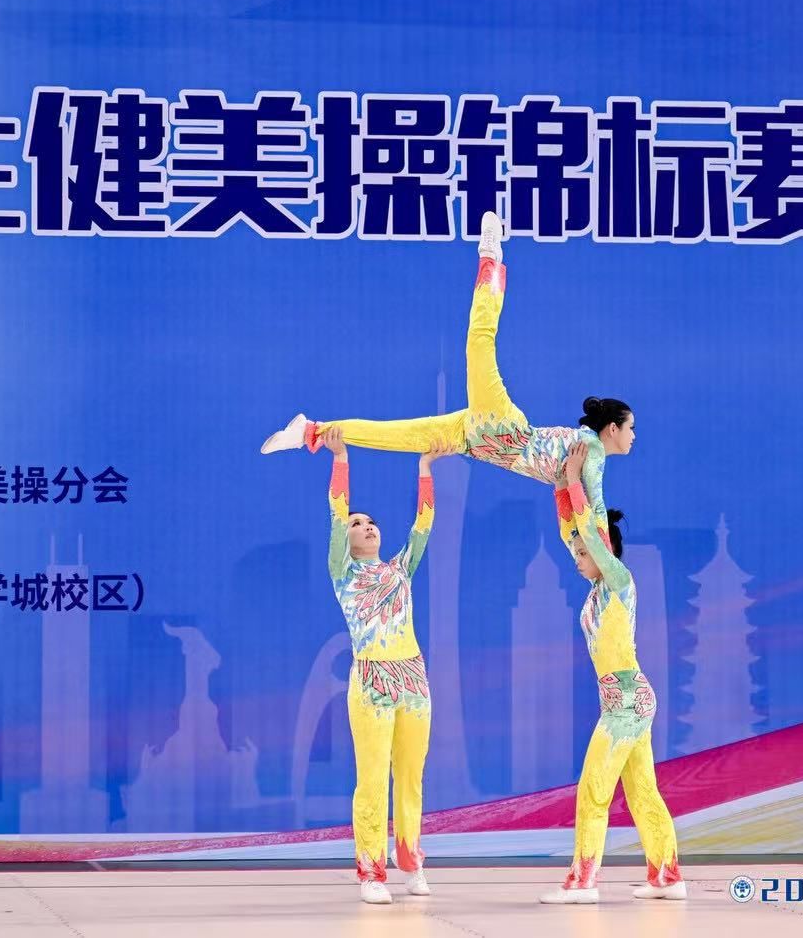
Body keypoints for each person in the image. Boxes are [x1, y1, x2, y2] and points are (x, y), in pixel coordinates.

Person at [261, 213, 635, 544]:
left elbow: (573, 518)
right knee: (479, 341)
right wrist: (609, 560)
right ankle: (490, 257)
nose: (633, 436)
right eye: (630, 428)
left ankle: (309, 432)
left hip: (475, 442)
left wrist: (579, 518)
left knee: (396, 436)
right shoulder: (594, 451)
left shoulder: (585, 456)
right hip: (501, 428)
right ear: (612, 428)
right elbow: (596, 508)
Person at [540, 442, 683, 905]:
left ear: (606, 552)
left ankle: (583, 883)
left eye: (584, 554)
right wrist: (561, 487)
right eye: (577, 555)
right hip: (623, 701)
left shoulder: (620, 582)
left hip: (627, 702)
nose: (577, 559)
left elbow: (586, 532)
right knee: (643, 792)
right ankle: (668, 876)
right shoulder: (595, 595)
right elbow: (573, 532)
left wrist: (577, 479)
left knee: (594, 790)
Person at [320, 426, 452, 905]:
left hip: (413, 679)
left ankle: (412, 861)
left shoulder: (400, 569)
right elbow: (336, 514)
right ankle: (371, 872)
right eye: (358, 524)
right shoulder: (343, 573)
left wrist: (424, 468)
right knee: (373, 779)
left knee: (411, 777)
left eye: (372, 522)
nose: (367, 526)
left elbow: (424, 525)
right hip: (372, 681)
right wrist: (341, 459)